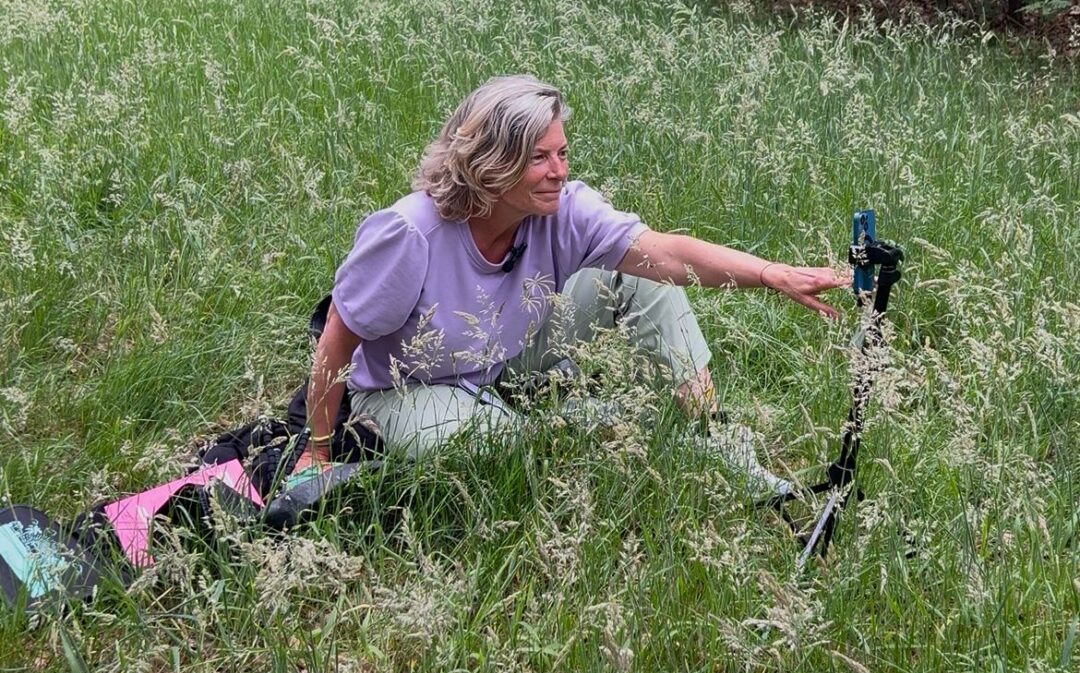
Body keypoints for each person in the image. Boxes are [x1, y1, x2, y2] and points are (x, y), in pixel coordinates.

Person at [293, 75, 845, 497]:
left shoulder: (563, 210)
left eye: (561, 152)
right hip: (404, 388)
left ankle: (712, 437)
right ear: (489, 163)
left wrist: (770, 274)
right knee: (500, 449)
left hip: (502, 359)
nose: (558, 170)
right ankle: (590, 423)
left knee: (642, 278)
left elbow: (668, 254)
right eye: (539, 157)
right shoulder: (410, 234)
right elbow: (338, 339)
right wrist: (317, 454)